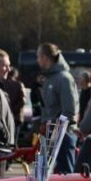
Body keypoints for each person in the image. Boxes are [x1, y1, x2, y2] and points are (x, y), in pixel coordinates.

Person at [37, 43, 79, 173]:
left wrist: (56, 130)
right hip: (52, 136)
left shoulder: (63, 78)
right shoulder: (50, 78)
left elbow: (69, 111)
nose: (37, 60)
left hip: (63, 137)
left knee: (65, 178)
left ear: (44, 57)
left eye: (38, 57)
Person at [2, 67, 25, 144]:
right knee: (14, 139)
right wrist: (14, 109)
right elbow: (23, 101)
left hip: (4, 115)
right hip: (16, 116)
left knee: (4, 138)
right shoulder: (19, 84)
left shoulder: (2, 84)